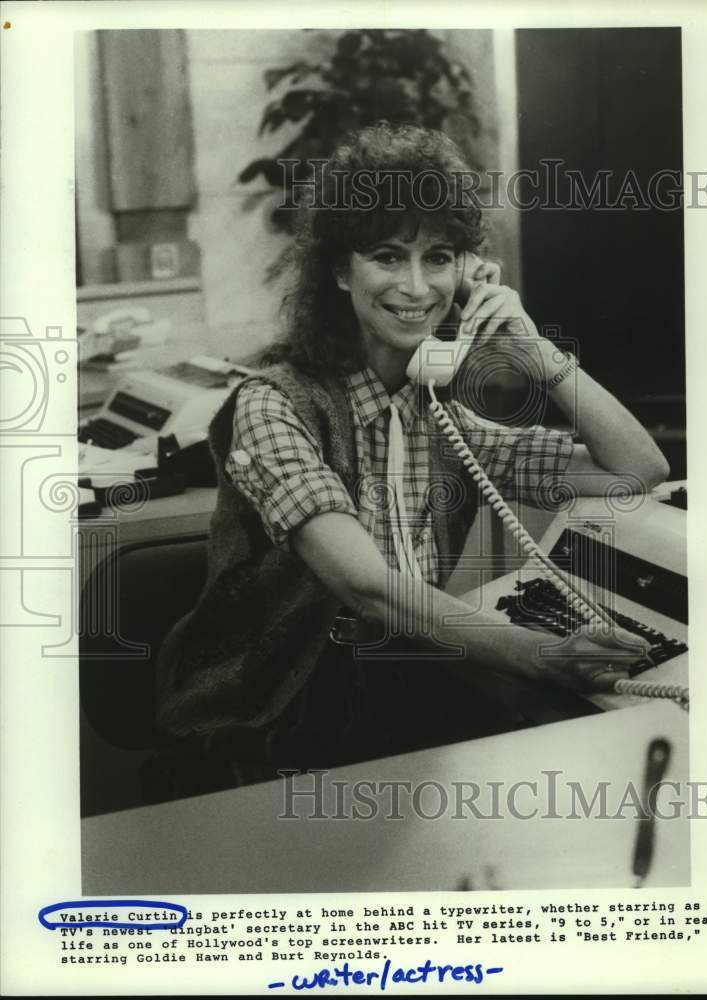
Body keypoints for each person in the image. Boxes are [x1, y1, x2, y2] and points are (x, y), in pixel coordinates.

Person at [155, 123, 669, 789]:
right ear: (340, 270)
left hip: (403, 682)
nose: (416, 286)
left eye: (439, 257)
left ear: (465, 273)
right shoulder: (274, 406)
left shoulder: (442, 421)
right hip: (281, 708)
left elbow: (638, 470)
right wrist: (538, 657)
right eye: (388, 256)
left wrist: (534, 348)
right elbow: (364, 587)